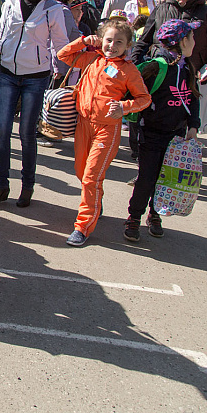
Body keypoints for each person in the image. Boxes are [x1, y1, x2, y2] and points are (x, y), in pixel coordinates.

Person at [0, 0, 70, 208]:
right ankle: (1, 185)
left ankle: (27, 185)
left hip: (37, 76)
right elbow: (1, 34)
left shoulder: (53, 9)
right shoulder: (10, 2)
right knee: (1, 130)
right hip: (9, 73)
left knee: (26, 133)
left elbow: (61, 44)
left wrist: (61, 68)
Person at [57, 19, 151, 246]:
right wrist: (83, 41)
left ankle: (83, 226)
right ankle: (95, 204)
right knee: (82, 172)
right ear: (101, 40)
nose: (112, 45)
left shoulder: (129, 70)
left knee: (91, 177)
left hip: (107, 129)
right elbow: (63, 56)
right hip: (83, 125)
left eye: (119, 42)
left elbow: (144, 99)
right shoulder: (92, 59)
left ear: (128, 45)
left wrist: (124, 107)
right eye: (108, 40)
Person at [124, 19, 202, 242]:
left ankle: (155, 214)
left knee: (164, 179)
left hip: (175, 135)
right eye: (192, 37)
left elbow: (193, 97)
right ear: (181, 42)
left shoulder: (187, 66)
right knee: (146, 178)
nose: (194, 42)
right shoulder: (156, 67)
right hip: (150, 133)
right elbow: (137, 95)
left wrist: (193, 125)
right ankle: (134, 217)